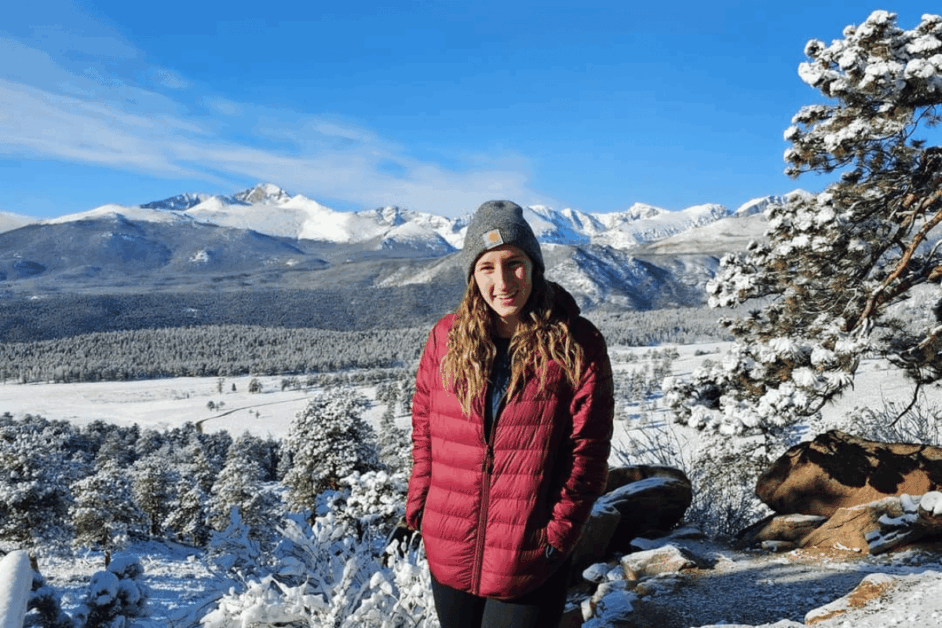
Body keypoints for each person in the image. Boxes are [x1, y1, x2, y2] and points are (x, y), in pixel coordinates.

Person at [406, 200, 614, 628]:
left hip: (530, 554)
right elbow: (425, 431)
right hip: (449, 545)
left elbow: (587, 453)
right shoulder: (445, 339)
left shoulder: (577, 344)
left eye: (514, 263)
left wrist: (557, 537)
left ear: (534, 266)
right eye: (487, 267)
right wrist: (421, 510)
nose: (502, 281)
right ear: (472, 275)